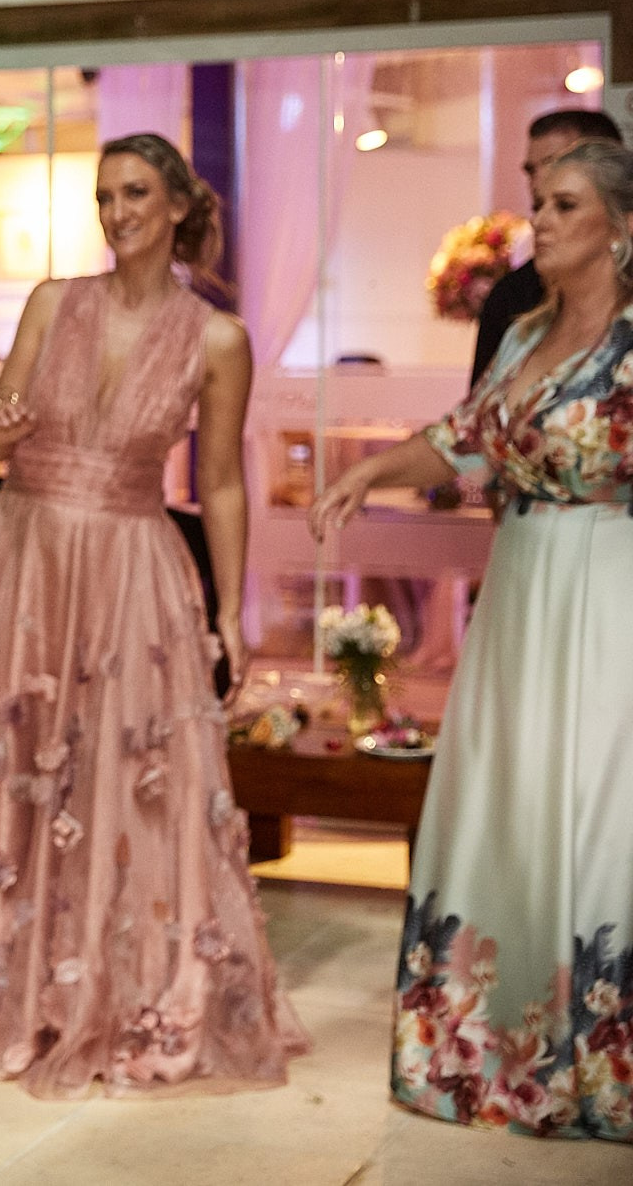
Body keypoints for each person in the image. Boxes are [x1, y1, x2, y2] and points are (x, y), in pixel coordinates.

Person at [0, 133, 309, 1096]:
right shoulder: (53, 302)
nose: (117, 212)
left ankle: (112, 991)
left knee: (123, 774)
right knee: (12, 765)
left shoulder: (217, 338)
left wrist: (232, 608)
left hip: (131, 566)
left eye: (135, 192)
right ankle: (0, 986)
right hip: (24, 556)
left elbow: (222, 484)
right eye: (105, 195)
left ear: (178, 204)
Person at [311, 139, 633, 1142]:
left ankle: (599, 1061)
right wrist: (370, 471)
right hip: (520, 592)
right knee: (510, 803)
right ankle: (490, 1051)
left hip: (609, 593)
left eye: (565, 204)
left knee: (598, 811)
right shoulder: (524, 330)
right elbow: (461, 439)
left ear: (621, 228)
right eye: (540, 202)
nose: (540, 219)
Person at [471, 109, 623, 388]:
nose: (540, 179)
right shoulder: (518, 319)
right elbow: (473, 411)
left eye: (566, 205)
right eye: (531, 169)